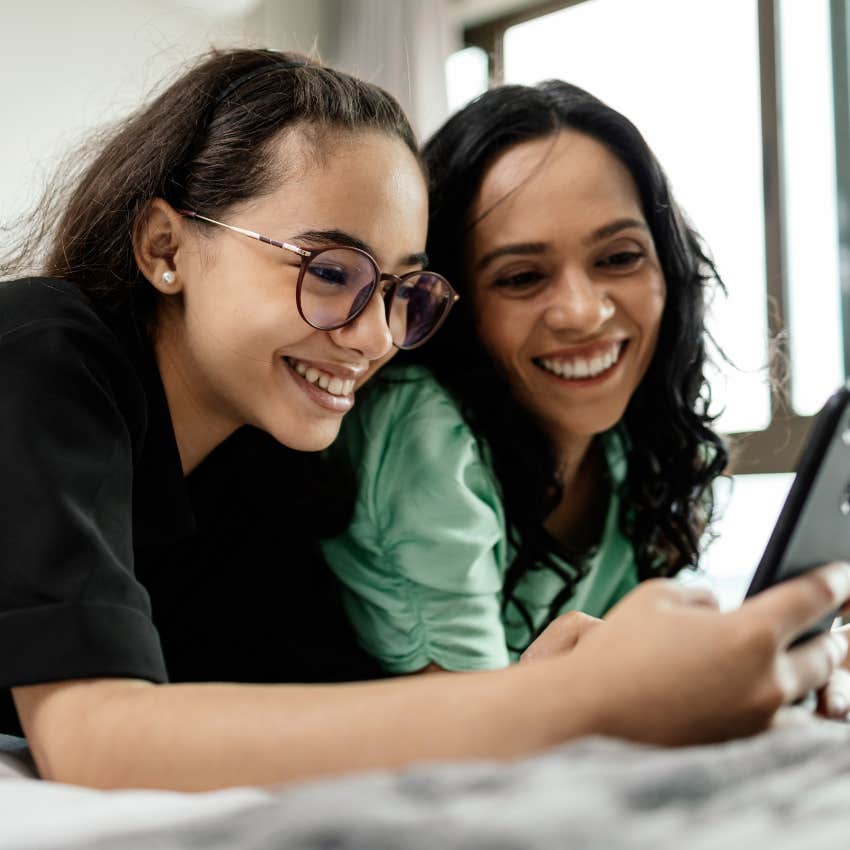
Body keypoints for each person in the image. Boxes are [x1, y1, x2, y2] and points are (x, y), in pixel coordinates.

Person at [1, 49, 848, 793]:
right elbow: (97, 740)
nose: (374, 340)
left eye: (399, 290)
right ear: (165, 248)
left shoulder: (259, 479)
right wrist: (553, 703)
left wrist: (548, 691)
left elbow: (303, 726)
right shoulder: (47, 353)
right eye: (330, 271)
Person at [321, 79, 729, 671]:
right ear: (449, 305)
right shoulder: (425, 434)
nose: (583, 312)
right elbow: (472, 741)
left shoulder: (633, 447)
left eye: (618, 258)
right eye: (521, 277)